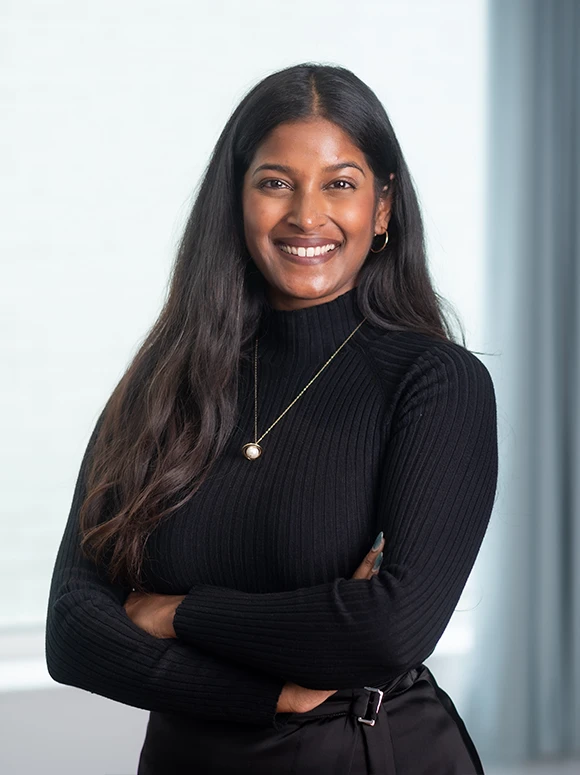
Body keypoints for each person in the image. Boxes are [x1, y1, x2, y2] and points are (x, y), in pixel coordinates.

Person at [45, 62, 498, 774]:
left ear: (382, 209)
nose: (306, 215)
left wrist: (174, 612)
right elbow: (72, 631)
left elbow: (387, 629)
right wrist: (277, 690)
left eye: (340, 184)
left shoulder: (436, 383)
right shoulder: (163, 384)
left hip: (364, 754)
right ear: (237, 199)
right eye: (275, 182)